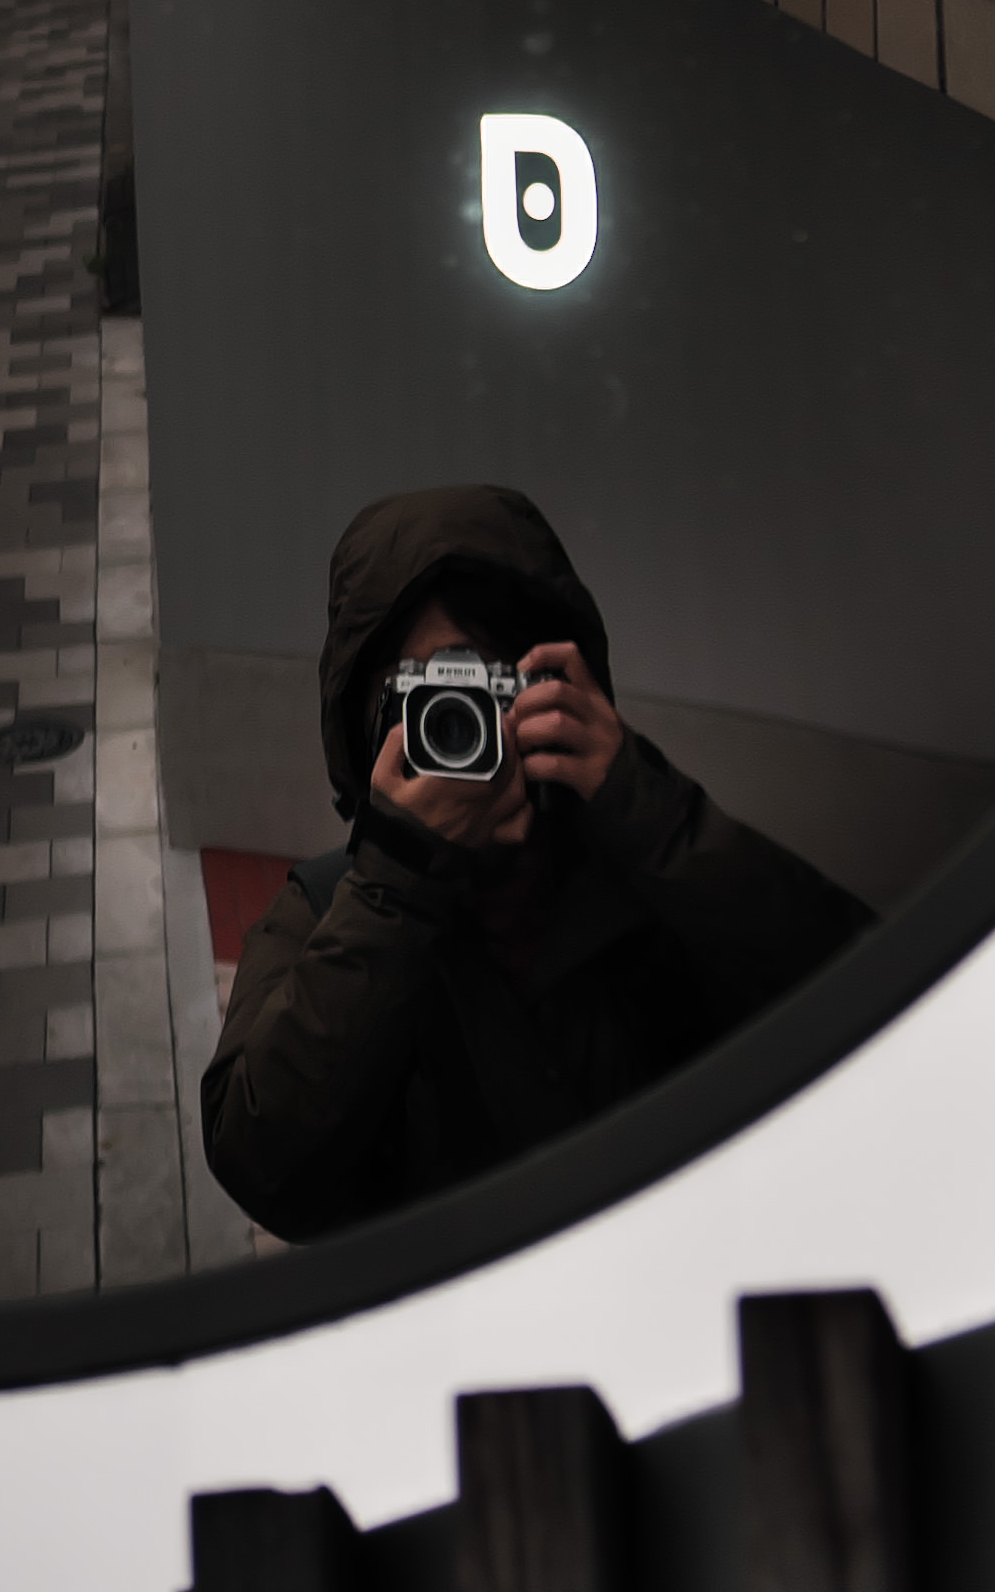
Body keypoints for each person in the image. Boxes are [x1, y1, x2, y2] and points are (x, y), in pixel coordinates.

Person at [201, 485, 870, 1242]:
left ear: (553, 692)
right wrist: (397, 884)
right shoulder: (331, 910)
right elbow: (263, 1167)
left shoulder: (647, 862)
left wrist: (647, 808)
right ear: (370, 723)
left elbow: (857, 994)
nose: (460, 729)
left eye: (490, 689)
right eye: (422, 696)